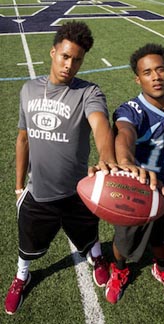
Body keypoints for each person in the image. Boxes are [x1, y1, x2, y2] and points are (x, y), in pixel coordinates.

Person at [5, 20, 117, 315]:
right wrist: (19, 186)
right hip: (39, 191)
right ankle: (21, 276)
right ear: (53, 52)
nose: (70, 65)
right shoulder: (29, 90)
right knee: (26, 244)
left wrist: (106, 155)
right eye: (66, 56)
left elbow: (101, 126)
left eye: (77, 59)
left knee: (89, 231)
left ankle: (96, 256)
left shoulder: (88, 93)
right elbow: (23, 139)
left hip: (78, 191)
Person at [105, 43, 164, 304]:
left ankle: (163, 268)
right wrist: (126, 162)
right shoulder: (132, 110)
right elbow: (124, 134)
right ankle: (119, 270)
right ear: (138, 78)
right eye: (147, 72)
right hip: (137, 193)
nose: (155, 76)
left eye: (160, 69)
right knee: (123, 244)